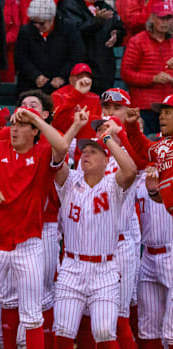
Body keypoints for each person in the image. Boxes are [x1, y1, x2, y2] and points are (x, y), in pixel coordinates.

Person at [0, 106, 69, 349]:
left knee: (32, 314)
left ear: (34, 131)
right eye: (13, 124)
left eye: (22, 125)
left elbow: (61, 147)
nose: (15, 129)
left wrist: (34, 117)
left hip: (28, 244)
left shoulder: (42, 153)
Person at [53, 114, 137, 349]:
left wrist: (108, 138)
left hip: (105, 270)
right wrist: (76, 126)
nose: (86, 154)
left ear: (105, 158)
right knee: (63, 331)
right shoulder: (69, 180)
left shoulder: (113, 183)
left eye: (93, 151)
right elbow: (56, 156)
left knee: (104, 331)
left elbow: (130, 170)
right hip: (71, 267)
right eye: (84, 151)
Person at [120, 1, 173, 136]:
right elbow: (126, 73)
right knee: (146, 148)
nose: (165, 22)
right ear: (152, 18)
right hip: (144, 106)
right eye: (162, 18)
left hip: (169, 106)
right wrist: (153, 79)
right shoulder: (138, 41)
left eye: (169, 18)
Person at [134, 170, 173, 349]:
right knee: (147, 328)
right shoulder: (138, 177)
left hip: (170, 253)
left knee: (170, 332)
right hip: (147, 256)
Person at [14, 0, 85, 94]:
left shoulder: (68, 28)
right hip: (32, 86)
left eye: (42, 23)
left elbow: (77, 55)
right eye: (35, 22)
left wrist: (62, 77)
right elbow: (21, 58)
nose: (37, 26)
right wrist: (35, 75)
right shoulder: (26, 31)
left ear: (52, 18)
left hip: (61, 86)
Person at [57, 0, 125, 95]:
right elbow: (76, 32)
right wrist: (96, 21)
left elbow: (118, 26)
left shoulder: (104, 6)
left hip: (104, 68)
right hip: (83, 67)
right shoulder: (69, 5)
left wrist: (116, 33)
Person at [124, 94, 173, 216]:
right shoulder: (163, 148)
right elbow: (142, 148)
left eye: (167, 113)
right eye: (161, 113)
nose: (161, 117)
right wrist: (131, 126)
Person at [51, 63, 102, 139]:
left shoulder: (95, 97)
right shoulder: (58, 95)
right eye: (79, 77)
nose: (84, 80)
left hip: (86, 140)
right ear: (70, 79)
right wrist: (77, 94)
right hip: (62, 137)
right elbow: (56, 122)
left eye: (87, 77)